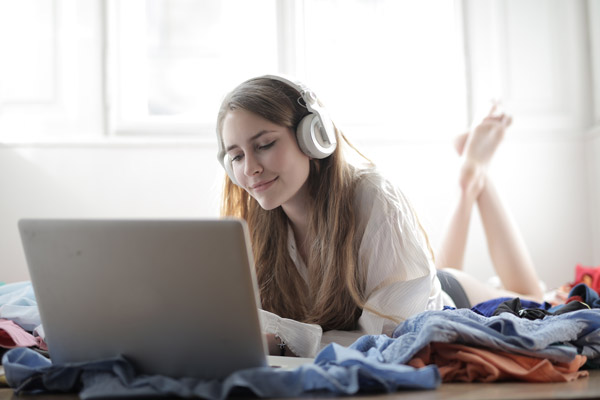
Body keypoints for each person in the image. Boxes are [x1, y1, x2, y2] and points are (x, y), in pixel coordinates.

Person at [215, 75, 544, 358]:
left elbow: (393, 338)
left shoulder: (373, 197)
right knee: (435, 266)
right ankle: (470, 179)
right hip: (410, 281)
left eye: (265, 144)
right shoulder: (253, 220)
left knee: (536, 298)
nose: (250, 169)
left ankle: (471, 177)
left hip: (439, 304)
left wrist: (286, 342)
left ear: (314, 136)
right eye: (237, 156)